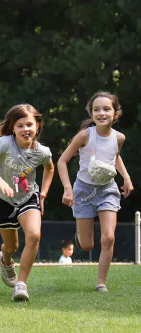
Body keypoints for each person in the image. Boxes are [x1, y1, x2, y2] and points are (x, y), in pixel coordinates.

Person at [0, 104, 54, 302]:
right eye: (20, 125)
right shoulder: (3, 143)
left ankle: (21, 284)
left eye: (29, 124)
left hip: (28, 198)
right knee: (11, 247)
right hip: (2, 200)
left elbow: (50, 169)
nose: (25, 129)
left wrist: (42, 194)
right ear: (12, 128)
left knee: (34, 235)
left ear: (37, 126)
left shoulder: (42, 152)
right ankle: (6, 260)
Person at [57, 91, 133, 292]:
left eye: (106, 109)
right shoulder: (85, 136)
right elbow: (62, 161)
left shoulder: (119, 138)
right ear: (91, 114)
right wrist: (67, 189)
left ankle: (101, 283)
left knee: (108, 237)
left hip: (108, 189)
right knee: (87, 245)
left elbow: (114, 157)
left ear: (115, 114)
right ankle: (81, 232)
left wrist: (126, 177)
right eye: (96, 109)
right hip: (83, 190)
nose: (101, 113)